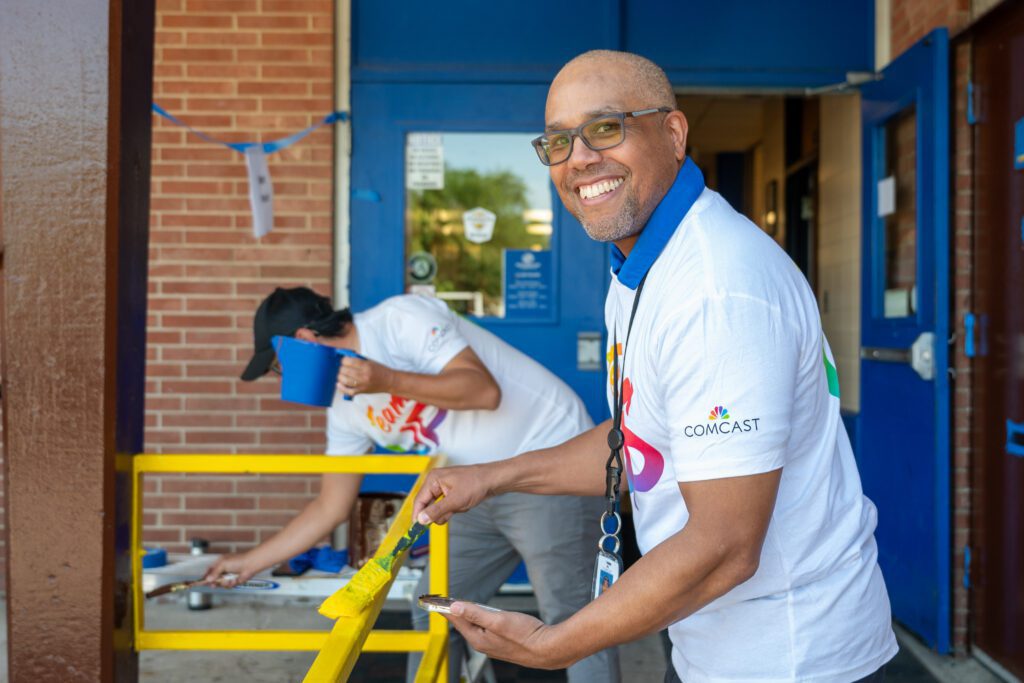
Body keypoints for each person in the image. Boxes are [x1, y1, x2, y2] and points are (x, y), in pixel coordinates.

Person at [413, 50, 898, 683]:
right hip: (711, 644)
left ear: (673, 133)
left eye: (606, 128)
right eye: (558, 140)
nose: (579, 157)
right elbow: (641, 441)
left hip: (794, 659)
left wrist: (556, 644)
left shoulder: (717, 291)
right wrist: (493, 477)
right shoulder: (641, 264)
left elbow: (725, 545)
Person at [205, 287, 620, 683]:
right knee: (438, 612)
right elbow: (331, 506)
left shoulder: (398, 319)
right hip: (473, 486)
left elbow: (483, 391)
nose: (280, 382)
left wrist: (385, 379)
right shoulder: (343, 407)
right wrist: (250, 561)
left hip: (545, 459)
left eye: (278, 367)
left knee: (572, 620)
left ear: (301, 340)